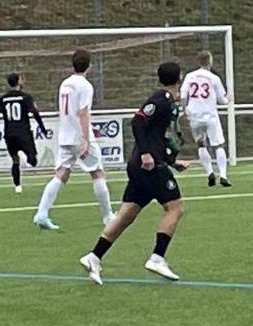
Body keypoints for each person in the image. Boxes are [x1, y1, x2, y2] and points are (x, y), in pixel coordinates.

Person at [79, 61, 189, 284]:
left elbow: (157, 135)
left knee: (126, 215)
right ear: (179, 78)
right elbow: (138, 121)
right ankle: (157, 257)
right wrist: (147, 154)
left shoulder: (169, 102)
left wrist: (171, 161)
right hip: (148, 166)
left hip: (145, 165)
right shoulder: (160, 99)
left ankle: (94, 257)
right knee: (174, 208)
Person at [35, 50, 115, 231]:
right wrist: (86, 139)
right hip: (79, 136)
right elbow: (83, 113)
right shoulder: (85, 86)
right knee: (97, 172)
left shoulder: (65, 83)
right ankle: (108, 216)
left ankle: (42, 213)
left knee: (61, 174)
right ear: (89, 65)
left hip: (65, 135)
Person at [0, 72, 48, 193]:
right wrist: (43, 129)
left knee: (15, 160)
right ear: (19, 82)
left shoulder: (4, 99)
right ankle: (28, 157)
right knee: (33, 160)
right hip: (23, 132)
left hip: (9, 133)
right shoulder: (25, 97)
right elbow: (35, 113)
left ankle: (17, 186)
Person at [180, 52, 233, 188]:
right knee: (218, 145)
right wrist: (228, 99)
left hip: (195, 115)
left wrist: (185, 108)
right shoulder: (214, 78)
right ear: (210, 61)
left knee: (201, 144)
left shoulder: (190, 76)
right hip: (210, 115)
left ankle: (209, 173)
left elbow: (183, 96)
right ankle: (223, 175)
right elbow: (222, 100)